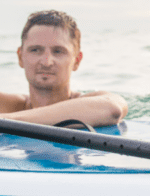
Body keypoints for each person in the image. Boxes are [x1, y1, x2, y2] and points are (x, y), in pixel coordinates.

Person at [0, 10, 128, 127]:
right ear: (20, 57)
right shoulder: (8, 105)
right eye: (35, 50)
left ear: (77, 60)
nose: (46, 62)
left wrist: (7, 121)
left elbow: (113, 109)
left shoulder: (92, 103)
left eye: (58, 51)